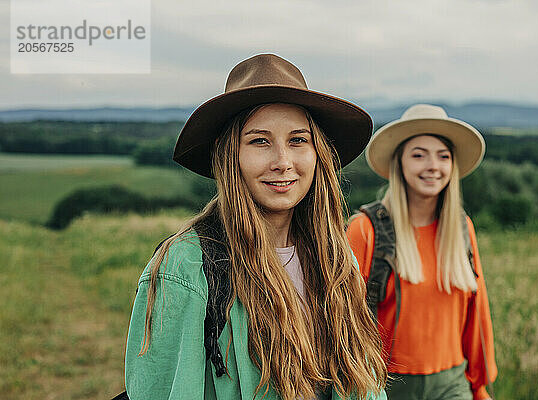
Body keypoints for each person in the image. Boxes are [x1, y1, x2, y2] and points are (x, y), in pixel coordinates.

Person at [123, 54, 387, 400]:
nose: (282, 162)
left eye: (297, 140)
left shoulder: (336, 257)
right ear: (228, 153)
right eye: (260, 141)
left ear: (317, 151)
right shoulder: (187, 268)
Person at [346, 104, 497, 400]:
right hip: (382, 385)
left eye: (443, 156)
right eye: (419, 155)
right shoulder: (365, 230)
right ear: (398, 163)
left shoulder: (462, 228)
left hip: (452, 384)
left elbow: (477, 312)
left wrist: (479, 386)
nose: (433, 166)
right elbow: (341, 319)